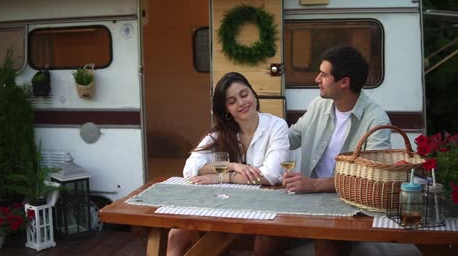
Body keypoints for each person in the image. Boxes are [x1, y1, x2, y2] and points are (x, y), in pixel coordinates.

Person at [255, 45, 392, 256]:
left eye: (324, 74)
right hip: (307, 201)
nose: (317, 79)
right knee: (265, 234)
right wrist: (251, 129)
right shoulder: (318, 105)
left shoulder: (376, 120)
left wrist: (314, 184)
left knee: (325, 242)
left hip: (347, 205)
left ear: (344, 82)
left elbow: (371, 179)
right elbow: (289, 138)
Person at [167, 72, 290, 256]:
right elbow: (190, 168)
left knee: (266, 239)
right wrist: (232, 165)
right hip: (226, 207)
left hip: (266, 206)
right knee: (176, 234)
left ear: (253, 95)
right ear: (226, 109)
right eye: (232, 101)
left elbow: (270, 175)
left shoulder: (276, 125)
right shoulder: (221, 133)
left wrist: (221, 177)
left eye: (244, 94)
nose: (241, 103)